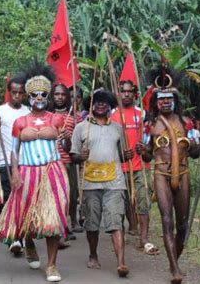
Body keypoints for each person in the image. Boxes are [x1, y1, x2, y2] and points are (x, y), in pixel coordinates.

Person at [0, 63, 71, 282]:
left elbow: (66, 147)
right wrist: (15, 172)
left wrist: (65, 136)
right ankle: (28, 243)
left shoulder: (56, 119)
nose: (39, 97)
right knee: (27, 216)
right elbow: (15, 151)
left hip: (52, 171)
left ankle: (52, 265)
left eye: (43, 94)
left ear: (48, 96)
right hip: (27, 173)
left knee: (52, 218)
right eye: (34, 94)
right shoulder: (20, 121)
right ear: (29, 96)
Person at [138, 67, 200, 284]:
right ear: (156, 101)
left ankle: (172, 261)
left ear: (175, 100)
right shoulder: (150, 125)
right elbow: (148, 157)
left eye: (169, 99)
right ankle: (175, 269)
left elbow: (194, 154)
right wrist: (143, 151)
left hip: (184, 172)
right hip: (161, 172)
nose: (165, 103)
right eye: (161, 99)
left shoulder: (186, 123)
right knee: (167, 221)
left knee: (183, 225)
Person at [70, 88, 133, 278]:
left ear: (110, 106)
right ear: (91, 104)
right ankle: (93, 254)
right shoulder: (81, 127)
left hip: (115, 182)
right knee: (92, 223)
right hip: (90, 183)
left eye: (105, 102)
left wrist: (128, 155)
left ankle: (121, 262)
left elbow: (122, 155)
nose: (100, 104)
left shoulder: (117, 128)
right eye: (97, 101)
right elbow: (73, 155)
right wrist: (80, 156)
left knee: (115, 221)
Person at [110, 80, 158, 255]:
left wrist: (144, 148)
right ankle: (120, 236)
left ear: (135, 94)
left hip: (141, 166)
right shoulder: (112, 116)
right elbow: (109, 143)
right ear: (119, 94)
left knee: (143, 201)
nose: (126, 94)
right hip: (120, 168)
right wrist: (120, 154)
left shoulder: (142, 114)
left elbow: (150, 140)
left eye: (130, 91)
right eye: (122, 91)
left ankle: (144, 238)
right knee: (122, 204)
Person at [0, 75, 30, 256]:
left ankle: (21, 233)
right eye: (14, 92)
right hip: (3, 160)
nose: (17, 95)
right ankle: (12, 236)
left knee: (22, 199)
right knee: (5, 200)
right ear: (9, 92)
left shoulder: (28, 111)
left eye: (20, 92)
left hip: (24, 162)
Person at [50, 83, 84, 238]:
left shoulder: (74, 118)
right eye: (57, 94)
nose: (60, 97)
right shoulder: (46, 115)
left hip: (67, 160)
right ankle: (59, 225)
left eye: (63, 94)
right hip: (50, 162)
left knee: (71, 193)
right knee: (55, 195)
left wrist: (70, 139)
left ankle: (73, 221)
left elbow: (77, 141)